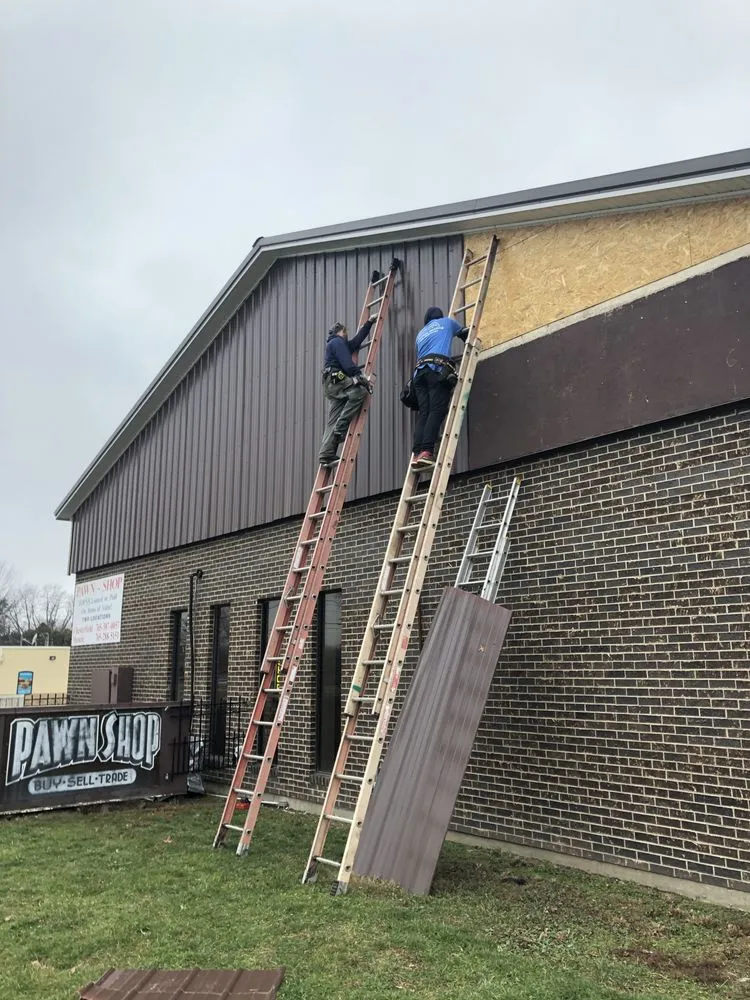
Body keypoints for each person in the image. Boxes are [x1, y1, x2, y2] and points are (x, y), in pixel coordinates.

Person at [411, 306, 468, 467]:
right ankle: (426, 451)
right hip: (436, 370)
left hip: (419, 375)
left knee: (425, 413)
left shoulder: (420, 334)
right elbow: (465, 333)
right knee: (436, 410)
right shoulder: (447, 323)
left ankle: (416, 453)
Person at [317, 315, 375, 465]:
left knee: (334, 416)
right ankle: (341, 429)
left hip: (332, 384)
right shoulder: (337, 342)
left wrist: (369, 323)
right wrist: (359, 376)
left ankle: (326, 453)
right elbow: (347, 364)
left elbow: (356, 342)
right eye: (345, 331)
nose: (347, 334)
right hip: (337, 380)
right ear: (340, 331)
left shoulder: (338, 344)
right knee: (359, 392)